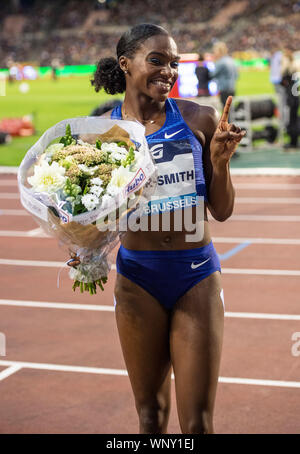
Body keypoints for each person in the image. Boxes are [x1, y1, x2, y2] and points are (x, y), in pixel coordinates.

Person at [73, 23, 245, 434]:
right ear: (125, 64)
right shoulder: (101, 133)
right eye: (157, 61)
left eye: (174, 63)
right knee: (149, 417)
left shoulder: (198, 118)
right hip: (137, 281)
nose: (168, 70)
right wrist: (82, 245)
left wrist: (220, 163)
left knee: (198, 424)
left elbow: (221, 211)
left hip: (196, 276)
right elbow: (91, 214)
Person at [280, 48, 299, 150]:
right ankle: (294, 141)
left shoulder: (287, 69)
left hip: (291, 97)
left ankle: (293, 142)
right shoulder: (295, 67)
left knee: (291, 120)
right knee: (295, 119)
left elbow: (283, 82)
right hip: (296, 96)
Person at [209, 41, 238, 108]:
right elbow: (237, 76)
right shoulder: (231, 60)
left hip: (224, 89)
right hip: (232, 88)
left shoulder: (220, 62)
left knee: (225, 111)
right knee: (230, 110)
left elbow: (212, 74)